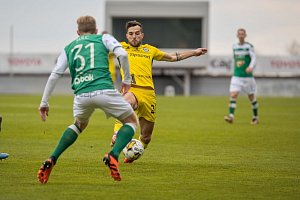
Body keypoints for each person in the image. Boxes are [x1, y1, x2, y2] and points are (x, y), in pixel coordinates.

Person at [37, 15, 138, 183]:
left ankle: (52, 159)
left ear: (78, 32)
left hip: (81, 95)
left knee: (78, 124)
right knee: (131, 122)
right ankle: (114, 155)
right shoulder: (103, 38)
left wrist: (44, 102)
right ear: (96, 30)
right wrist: (127, 81)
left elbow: (55, 74)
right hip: (104, 90)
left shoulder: (69, 47)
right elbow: (123, 55)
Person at [111, 20, 208, 163]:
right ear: (127, 36)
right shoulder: (120, 48)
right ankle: (117, 133)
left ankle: (134, 153)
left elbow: (173, 57)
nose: (134, 36)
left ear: (142, 35)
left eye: (137, 33)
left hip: (149, 94)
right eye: (131, 34)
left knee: (146, 136)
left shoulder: (150, 50)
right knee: (124, 104)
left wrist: (194, 53)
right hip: (131, 89)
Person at [224, 28, 259, 124]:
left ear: (245, 35)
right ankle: (231, 116)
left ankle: (255, 117)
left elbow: (254, 57)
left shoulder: (249, 46)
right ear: (237, 35)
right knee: (233, 95)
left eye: (242, 34)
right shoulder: (234, 46)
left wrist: (251, 67)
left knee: (251, 97)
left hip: (247, 77)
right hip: (236, 76)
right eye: (239, 34)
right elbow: (236, 60)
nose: (241, 35)